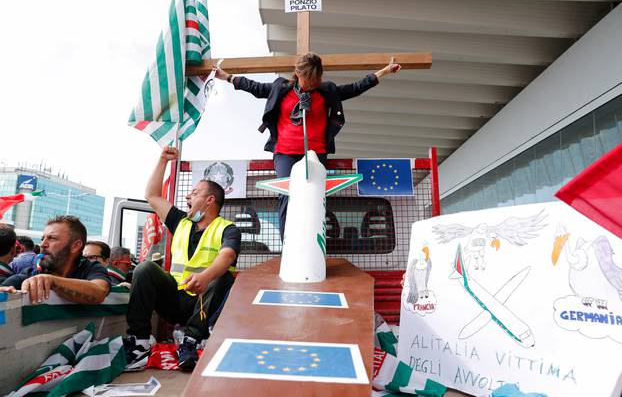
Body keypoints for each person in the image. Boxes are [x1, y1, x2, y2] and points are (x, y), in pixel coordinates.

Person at [213, 52, 401, 239]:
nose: (311, 83)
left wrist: (384, 71)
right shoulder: (281, 87)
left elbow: (355, 88)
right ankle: (287, 242)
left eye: (315, 79)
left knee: (315, 196)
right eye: (307, 79)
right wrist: (228, 77)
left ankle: (313, 240)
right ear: (297, 73)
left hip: (315, 152)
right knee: (287, 193)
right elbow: (254, 87)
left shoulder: (326, 90)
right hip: (285, 152)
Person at [123, 146, 241, 372]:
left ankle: (191, 342)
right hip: (174, 299)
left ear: (209, 200)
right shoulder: (181, 222)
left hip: (202, 304)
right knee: (145, 269)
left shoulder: (228, 229)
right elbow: (152, 196)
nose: (188, 196)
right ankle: (139, 343)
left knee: (224, 277)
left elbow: (227, 255)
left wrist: (205, 277)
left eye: (195, 193)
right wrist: (162, 160)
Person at [0, 216, 110, 305]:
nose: (43, 244)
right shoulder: (31, 274)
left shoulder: (91, 268)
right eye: (43, 239)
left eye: (52, 238)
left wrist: (52, 281)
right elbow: (5, 288)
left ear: (75, 246)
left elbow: (99, 291)